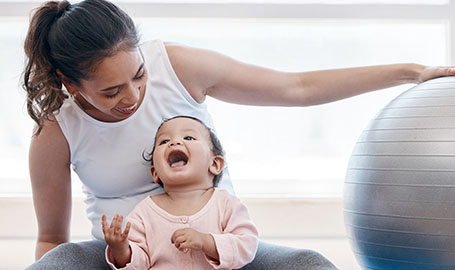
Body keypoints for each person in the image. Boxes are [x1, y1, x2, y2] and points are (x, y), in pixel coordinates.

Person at [23, 0, 455, 269]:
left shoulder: (178, 68)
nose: (133, 96)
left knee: (308, 265)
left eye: (139, 75)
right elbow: (51, 239)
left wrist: (410, 72)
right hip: (126, 260)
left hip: (220, 255)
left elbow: (296, 88)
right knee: (57, 264)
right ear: (70, 83)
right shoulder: (56, 134)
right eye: (111, 91)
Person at [102, 116, 259, 269]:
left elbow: (246, 246)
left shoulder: (226, 204)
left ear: (215, 164)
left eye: (189, 137)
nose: (174, 142)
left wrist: (206, 241)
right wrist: (121, 250)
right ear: (155, 172)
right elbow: (139, 263)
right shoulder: (144, 212)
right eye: (164, 141)